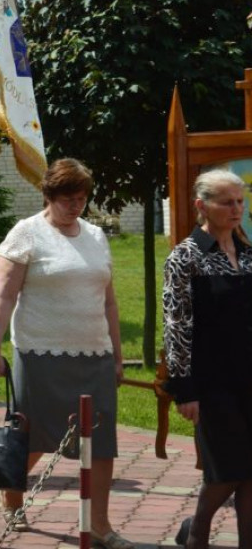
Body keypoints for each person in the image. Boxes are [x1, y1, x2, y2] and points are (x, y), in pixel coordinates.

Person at [0, 159, 130, 547]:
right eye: (68, 199)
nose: (75, 206)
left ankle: (100, 524)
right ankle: (12, 497)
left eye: (81, 198)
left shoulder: (96, 236)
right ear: (49, 195)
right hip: (39, 353)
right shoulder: (25, 234)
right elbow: (4, 295)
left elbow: (110, 302)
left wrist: (116, 354)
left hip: (93, 353)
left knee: (101, 443)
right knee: (32, 436)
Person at [164, 169, 252, 549]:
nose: (236, 209)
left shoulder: (248, 254)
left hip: (250, 376)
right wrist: (184, 389)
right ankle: (197, 531)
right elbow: (177, 327)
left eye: (240, 201)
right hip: (212, 382)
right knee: (226, 470)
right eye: (227, 202)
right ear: (202, 206)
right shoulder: (186, 257)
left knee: (251, 472)